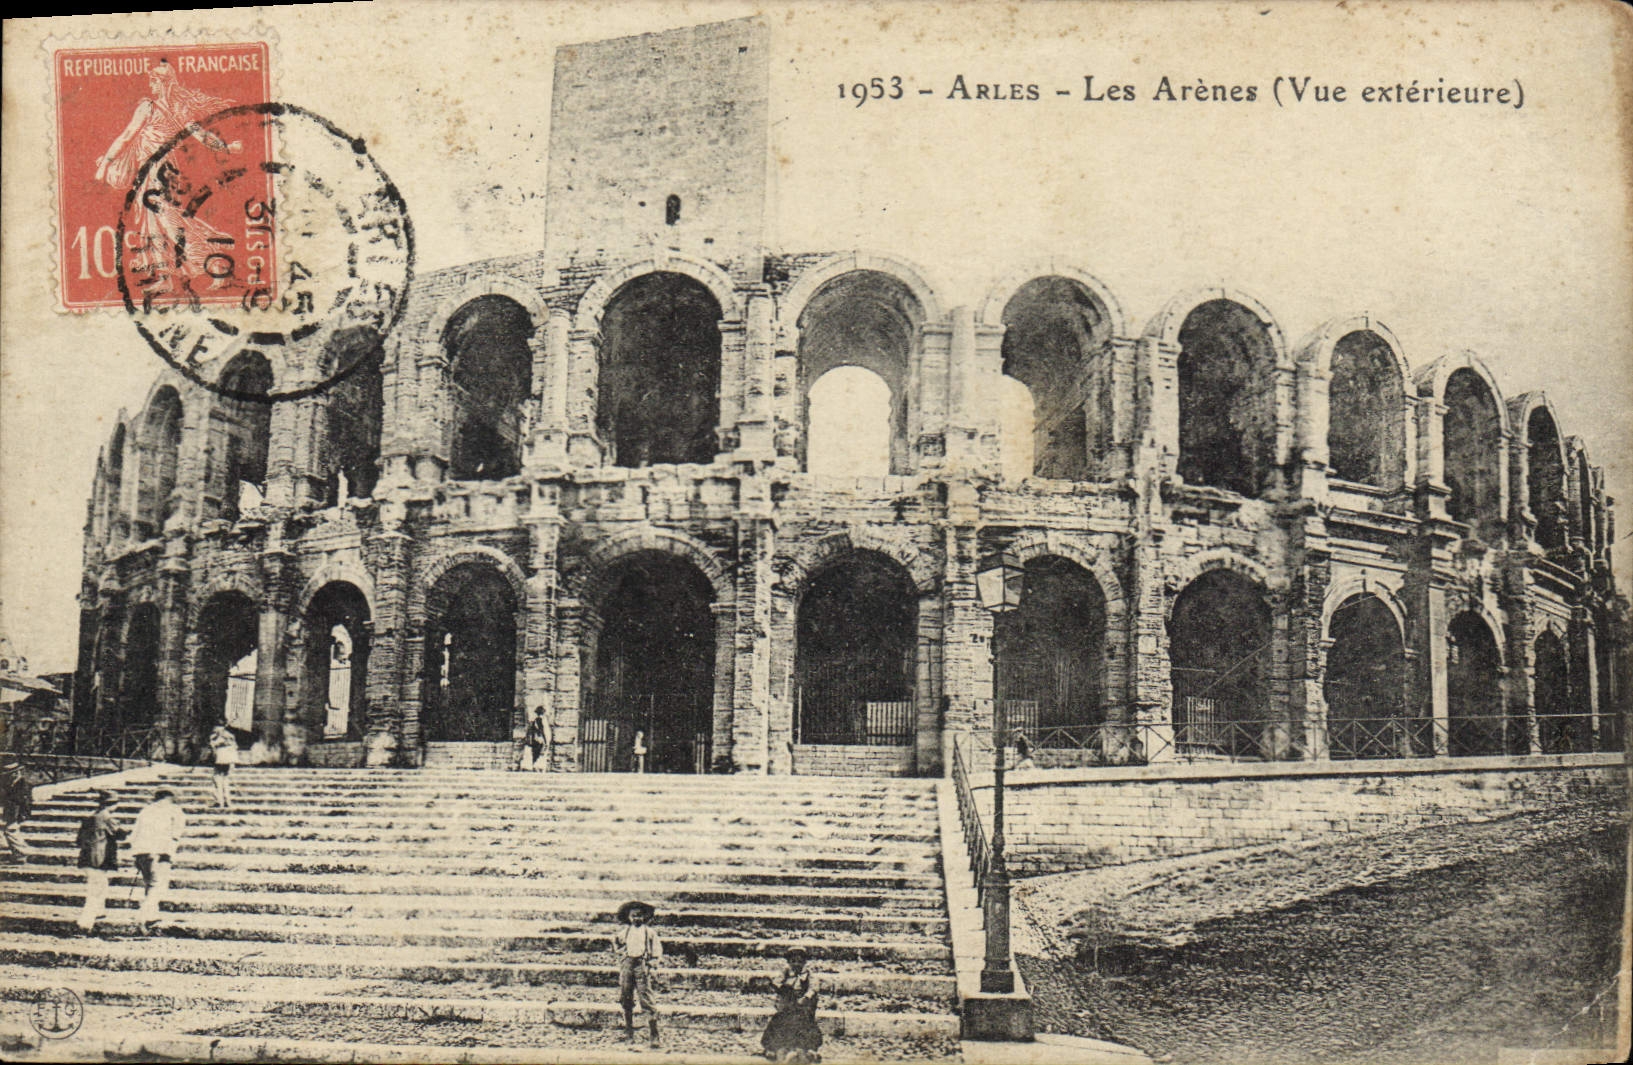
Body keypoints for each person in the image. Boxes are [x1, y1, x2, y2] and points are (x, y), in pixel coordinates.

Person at [92, 61, 242, 297]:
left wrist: (107, 163)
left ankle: (216, 265)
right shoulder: (179, 109)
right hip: (161, 172)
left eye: (154, 80)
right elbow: (202, 135)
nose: (150, 84)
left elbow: (127, 136)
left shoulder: (148, 107)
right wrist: (226, 148)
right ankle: (165, 278)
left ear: (163, 83)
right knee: (154, 224)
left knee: (171, 224)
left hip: (156, 173)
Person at [129, 787, 186, 935]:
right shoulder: (174, 810)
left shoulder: (145, 810)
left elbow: (134, 833)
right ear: (170, 797)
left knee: (150, 884)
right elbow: (176, 833)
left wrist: (135, 853)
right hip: (160, 853)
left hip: (141, 852)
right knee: (158, 885)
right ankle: (142, 917)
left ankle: (152, 915)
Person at [611, 899, 663, 1047]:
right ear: (628, 917)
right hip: (627, 965)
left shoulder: (649, 932)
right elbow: (615, 942)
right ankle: (629, 1032)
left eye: (639, 916)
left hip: (642, 965)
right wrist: (621, 953)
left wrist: (651, 964)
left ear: (644, 917)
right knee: (626, 996)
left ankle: (654, 1034)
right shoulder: (625, 932)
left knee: (646, 998)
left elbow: (657, 951)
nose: (636, 919)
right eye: (633, 916)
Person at [761, 946, 823, 1063]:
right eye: (793, 961)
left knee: (807, 1025)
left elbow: (814, 987)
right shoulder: (785, 972)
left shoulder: (808, 974)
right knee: (779, 1023)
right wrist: (781, 988)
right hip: (788, 1004)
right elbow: (777, 982)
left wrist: (806, 997)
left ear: (804, 962)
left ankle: (810, 1049)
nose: (796, 964)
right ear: (789, 962)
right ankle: (773, 1048)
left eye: (800, 961)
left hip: (802, 1006)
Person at [75, 790, 125, 934]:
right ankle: (85, 922)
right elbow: (120, 834)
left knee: (101, 884)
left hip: (86, 857)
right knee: (95, 890)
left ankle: (99, 911)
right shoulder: (107, 818)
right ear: (113, 804)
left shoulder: (90, 817)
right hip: (98, 859)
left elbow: (78, 840)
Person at [1, 759, 39, 863]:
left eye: (11, 774)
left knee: (10, 831)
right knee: (10, 831)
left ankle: (22, 853)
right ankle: (18, 855)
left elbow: (22, 802)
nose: (8, 776)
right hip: (11, 812)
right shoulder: (11, 784)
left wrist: (19, 815)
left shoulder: (23, 785)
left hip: (18, 812)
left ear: (17, 773)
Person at [208, 720, 237, 809]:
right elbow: (235, 747)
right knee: (224, 781)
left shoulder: (217, 737)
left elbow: (213, 747)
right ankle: (226, 801)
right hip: (227, 760)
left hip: (221, 760)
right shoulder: (229, 736)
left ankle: (219, 801)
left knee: (218, 780)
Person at [525, 708, 550, 772]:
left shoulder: (534, 720)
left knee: (535, 752)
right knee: (539, 752)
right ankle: (537, 766)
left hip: (534, 739)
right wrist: (545, 739)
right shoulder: (540, 720)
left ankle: (534, 765)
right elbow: (542, 730)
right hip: (539, 739)